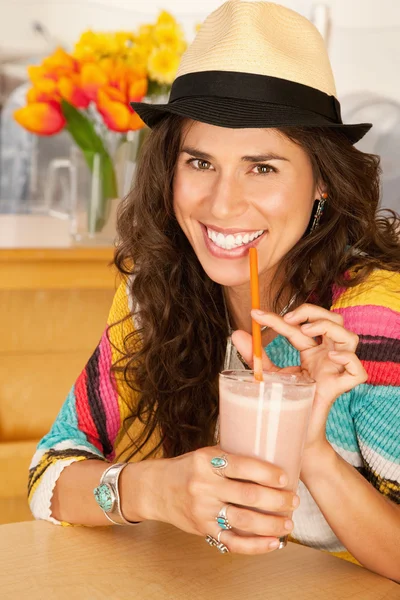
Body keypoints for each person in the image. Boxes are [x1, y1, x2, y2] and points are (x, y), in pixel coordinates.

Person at [28, 0, 400, 581]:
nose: (222, 205)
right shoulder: (155, 296)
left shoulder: (374, 317)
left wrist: (313, 453)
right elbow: (48, 471)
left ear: (323, 179)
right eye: (199, 161)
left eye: (263, 167)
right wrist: (153, 491)